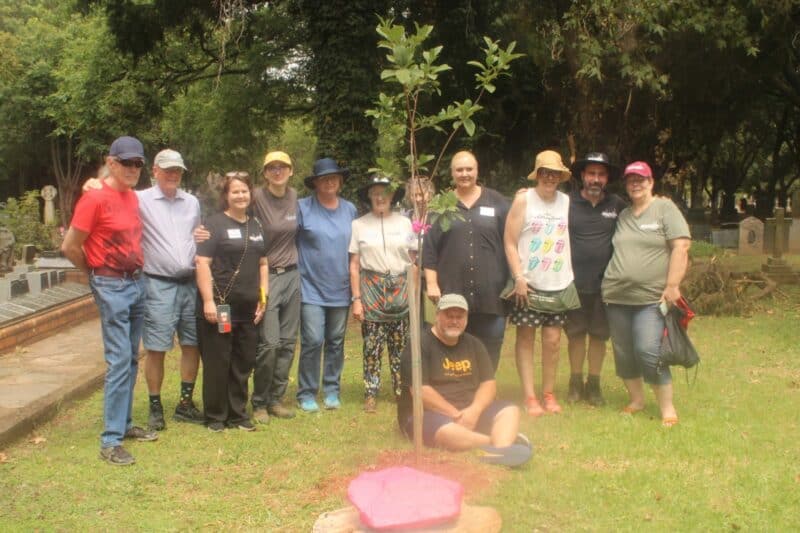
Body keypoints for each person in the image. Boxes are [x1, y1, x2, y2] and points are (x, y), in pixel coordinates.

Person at [84, 149, 205, 430]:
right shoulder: (139, 199)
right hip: (158, 284)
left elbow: (196, 234)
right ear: (155, 171)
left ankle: (185, 404)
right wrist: (93, 183)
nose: (173, 174)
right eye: (168, 169)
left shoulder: (192, 202)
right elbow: (110, 190)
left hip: (190, 282)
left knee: (192, 344)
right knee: (156, 347)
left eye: (177, 170)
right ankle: (155, 406)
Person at [62, 136, 157, 466]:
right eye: (126, 162)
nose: (133, 168)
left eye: (138, 163)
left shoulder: (131, 196)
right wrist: (94, 273)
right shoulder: (94, 199)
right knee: (119, 360)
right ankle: (111, 440)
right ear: (111, 163)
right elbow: (70, 246)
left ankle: (125, 424)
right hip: (111, 284)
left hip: (136, 282)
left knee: (131, 358)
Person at [601, 161, 691, 427]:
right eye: (631, 180)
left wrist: (672, 285)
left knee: (648, 350)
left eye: (641, 179)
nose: (636, 184)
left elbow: (681, 246)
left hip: (651, 298)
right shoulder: (624, 215)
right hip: (616, 296)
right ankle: (637, 400)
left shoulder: (664, 208)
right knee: (623, 351)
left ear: (651, 182)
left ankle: (667, 408)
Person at [397, 294, 531, 467]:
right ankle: (499, 444)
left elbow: (488, 384)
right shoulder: (419, 346)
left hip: (469, 411)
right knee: (447, 433)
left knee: (510, 410)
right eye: (449, 316)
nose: (454, 321)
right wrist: (456, 415)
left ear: (466, 319)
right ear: (437, 315)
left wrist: (474, 411)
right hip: (428, 415)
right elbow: (420, 391)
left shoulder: (474, 345)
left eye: (459, 317)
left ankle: (498, 451)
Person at [422, 151, 510, 371]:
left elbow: (511, 241)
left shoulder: (497, 202)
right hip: (453, 291)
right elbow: (430, 248)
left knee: (491, 345)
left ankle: (486, 385)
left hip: (491, 293)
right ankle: (460, 385)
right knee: (455, 345)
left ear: (477, 171)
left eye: (469, 169)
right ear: (452, 173)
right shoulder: (441, 205)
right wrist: (431, 283)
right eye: (459, 170)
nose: (464, 174)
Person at [503, 150, 575, 417]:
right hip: (528, 284)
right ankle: (530, 396)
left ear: (560, 176)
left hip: (559, 282)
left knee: (553, 341)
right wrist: (518, 277)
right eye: (545, 172)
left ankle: (548, 393)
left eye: (554, 173)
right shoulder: (523, 200)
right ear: (537, 174)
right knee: (525, 338)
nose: (549, 178)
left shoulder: (566, 202)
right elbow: (509, 241)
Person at [195, 171, 268, 432]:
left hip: (248, 309)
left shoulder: (256, 225)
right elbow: (202, 263)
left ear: (251, 194)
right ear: (226, 196)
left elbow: (263, 264)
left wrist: (263, 299)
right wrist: (208, 301)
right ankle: (215, 416)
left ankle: (238, 414)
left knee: (242, 363)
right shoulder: (214, 224)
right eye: (235, 191)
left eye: (244, 191)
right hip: (220, 306)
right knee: (218, 362)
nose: (240, 196)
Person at [349, 175, 416, 413]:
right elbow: (354, 265)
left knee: (400, 346)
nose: (380, 197)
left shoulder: (405, 223)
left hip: (401, 290)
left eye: (385, 193)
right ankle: (370, 392)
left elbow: (414, 258)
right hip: (372, 290)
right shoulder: (358, 225)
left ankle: (401, 390)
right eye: (375, 193)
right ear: (369, 196)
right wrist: (357, 300)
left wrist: (413, 293)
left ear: (393, 196)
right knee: (372, 346)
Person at [564, 153, 627, 406]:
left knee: (599, 336)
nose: (596, 179)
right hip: (572, 284)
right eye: (591, 173)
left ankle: (594, 384)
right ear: (582, 176)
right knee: (576, 335)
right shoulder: (566, 203)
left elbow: (640, 216)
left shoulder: (617, 205)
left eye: (601, 174)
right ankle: (575, 382)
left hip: (606, 286)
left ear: (607, 178)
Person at [296, 158, 357, 412]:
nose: (330, 182)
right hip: (310, 287)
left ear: (340, 181)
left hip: (341, 288)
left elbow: (356, 249)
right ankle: (307, 392)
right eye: (324, 178)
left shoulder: (350, 210)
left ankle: (332, 390)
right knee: (312, 340)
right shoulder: (302, 207)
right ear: (315, 183)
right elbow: (283, 236)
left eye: (334, 178)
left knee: (336, 341)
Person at [250, 151, 301, 423]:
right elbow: (229, 208)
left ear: (291, 171)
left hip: (293, 275)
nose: (278, 171)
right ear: (265, 173)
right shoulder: (256, 197)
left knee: (288, 343)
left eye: (283, 167)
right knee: (269, 343)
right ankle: (259, 402)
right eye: (272, 168)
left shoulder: (295, 197)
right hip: (267, 276)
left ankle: (276, 399)